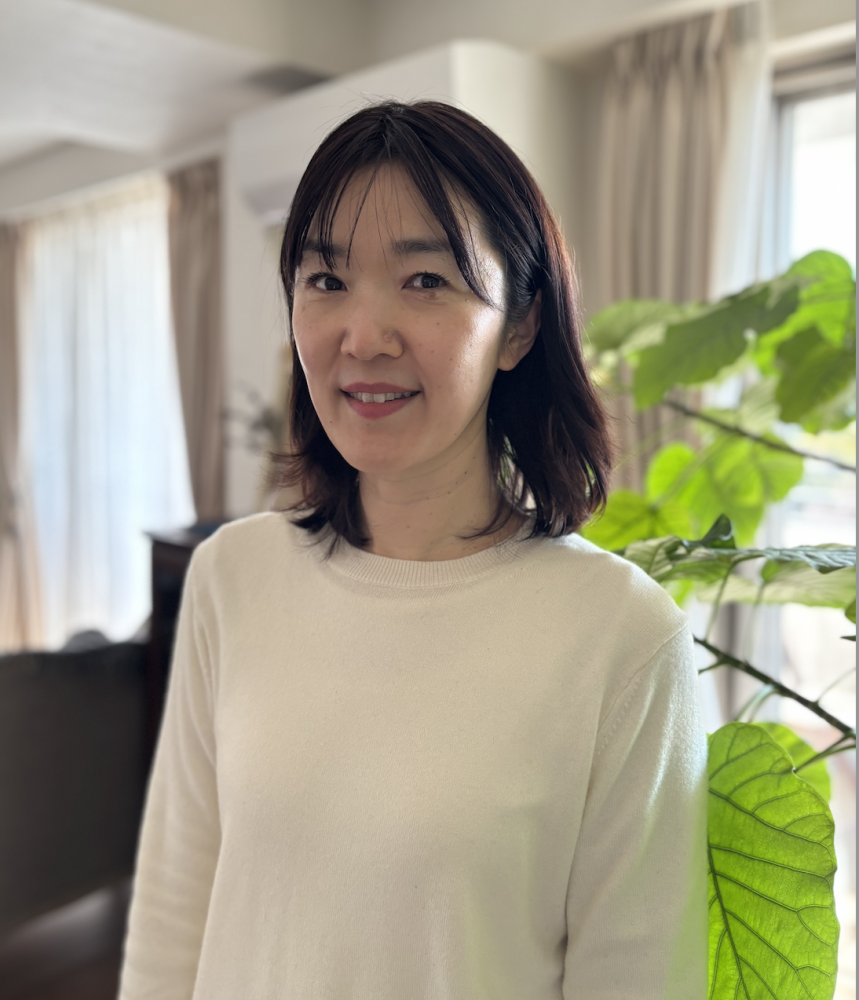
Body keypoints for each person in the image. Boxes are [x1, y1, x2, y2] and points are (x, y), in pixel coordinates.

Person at [117, 100, 708, 999]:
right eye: (326, 280)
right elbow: (172, 917)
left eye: (425, 279)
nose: (363, 336)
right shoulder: (232, 578)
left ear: (518, 326)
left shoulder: (620, 636)